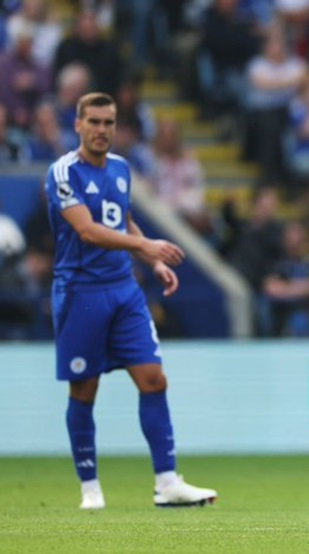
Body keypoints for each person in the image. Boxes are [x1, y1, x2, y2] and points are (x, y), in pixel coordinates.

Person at [44, 92, 217, 510]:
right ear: (78, 125)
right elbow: (87, 230)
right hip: (81, 293)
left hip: (124, 290)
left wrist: (149, 260)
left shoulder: (121, 169)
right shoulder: (63, 172)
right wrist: (147, 245)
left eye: (109, 123)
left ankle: (167, 481)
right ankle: (90, 487)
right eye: (95, 122)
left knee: (153, 379)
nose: (102, 130)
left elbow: (119, 218)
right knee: (85, 390)